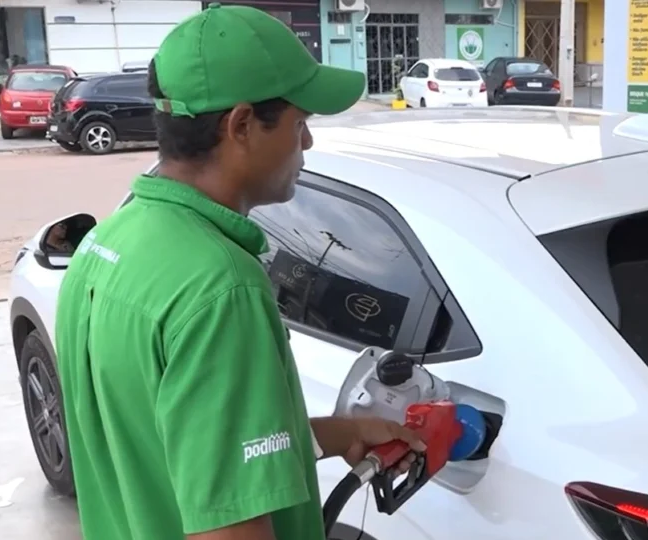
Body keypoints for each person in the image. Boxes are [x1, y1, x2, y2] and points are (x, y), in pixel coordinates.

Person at [54, 5, 425, 540]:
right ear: (242, 126)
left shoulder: (107, 244)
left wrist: (338, 435)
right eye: (299, 123)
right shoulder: (222, 289)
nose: (307, 143)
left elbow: (181, 449)